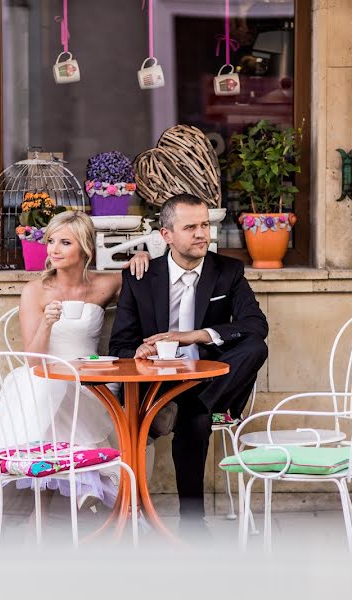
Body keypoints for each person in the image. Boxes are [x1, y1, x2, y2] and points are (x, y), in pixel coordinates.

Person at [0, 210, 149, 521]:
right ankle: (44, 505)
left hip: (89, 382)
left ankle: (65, 509)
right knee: (46, 388)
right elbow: (34, 361)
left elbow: (142, 282)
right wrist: (47, 324)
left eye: (65, 242)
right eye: (50, 241)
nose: (54, 250)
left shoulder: (106, 284)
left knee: (66, 392)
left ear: (86, 248)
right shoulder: (36, 290)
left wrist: (141, 256)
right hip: (45, 375)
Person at [109, 194, 269, 527]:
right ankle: (188, 521)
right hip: (157, 383)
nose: (202, 234)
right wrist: (138, 352)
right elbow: (120, 344)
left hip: (210, 382)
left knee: (254, 347)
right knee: (195, 420)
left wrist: (194, 335)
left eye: (205, 226)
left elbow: (256, 325)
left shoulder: (228, 271)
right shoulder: (140, 277)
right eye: (191, 227)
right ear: (166, 235)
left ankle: (192, 521)